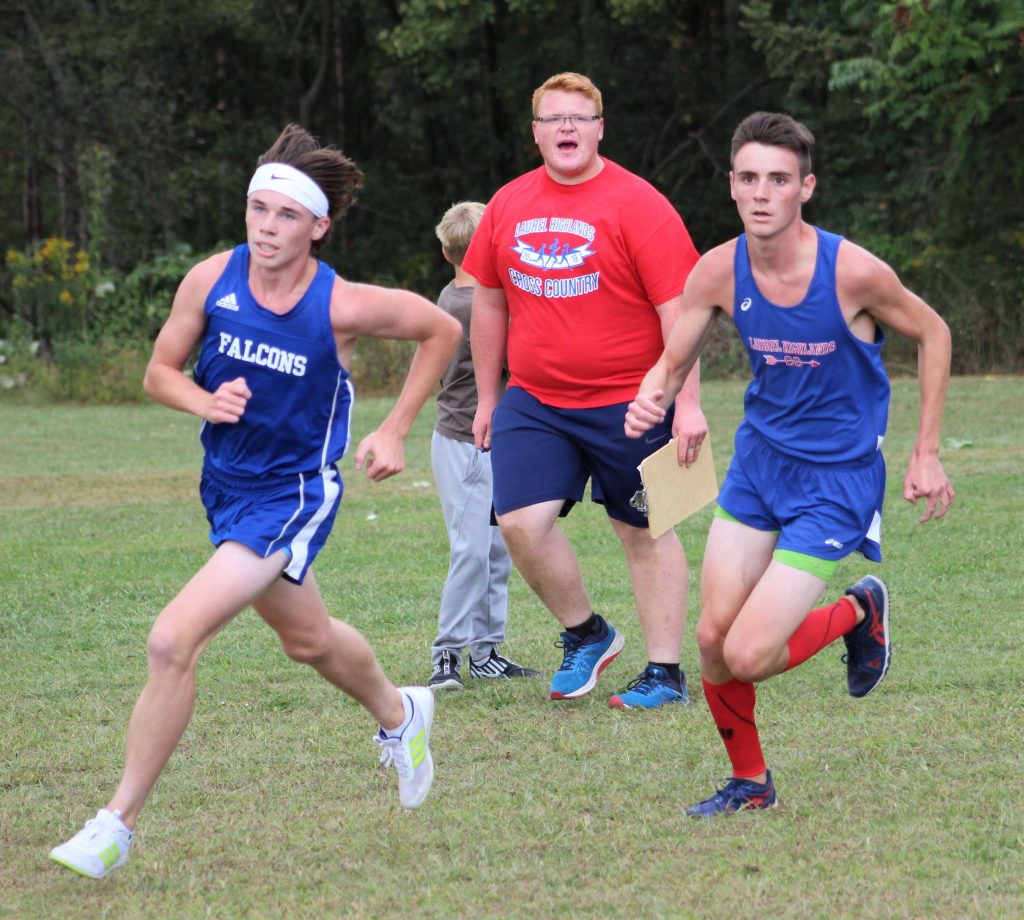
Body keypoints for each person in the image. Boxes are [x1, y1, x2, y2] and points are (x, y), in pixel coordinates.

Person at [49, 124, 462, 878]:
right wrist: (205, 402)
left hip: (292, 493)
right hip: (226, 487)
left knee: (172, 640)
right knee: (307, 639)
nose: (267, 227)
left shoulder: (341, 304)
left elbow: (441, 329)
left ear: (318, 227)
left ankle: (116, 825)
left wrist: (396, 427)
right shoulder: (212, 278)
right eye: (258, 209)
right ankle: (403, 713)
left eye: (286, 215)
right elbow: (158, 373)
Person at [625, 111, 955, 815]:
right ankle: (752, 783)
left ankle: (858, 611)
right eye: (749, 178)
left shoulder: (853, 271)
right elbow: (673, 359)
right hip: (759, 467)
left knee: (747, 655)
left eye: (778, 179)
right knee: (712, 640)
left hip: (835, 482)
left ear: (806, 187)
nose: (761, 193)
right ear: (732, 185)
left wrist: (925, 453)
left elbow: (934, 332)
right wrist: (651, 395)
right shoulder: (719, 269)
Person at [464, 72, 707, 710]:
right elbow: (488, 302)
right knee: (519, 523)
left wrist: (685, 404)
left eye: (578, 117)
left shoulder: (640, 203)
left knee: (644, 530)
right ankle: (587, 634)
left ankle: (665, 674)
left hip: (635, 400)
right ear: (536, 133)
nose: (566, 128)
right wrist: (488, 397)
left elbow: (681, 314)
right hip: (536, 400)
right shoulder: (507, 204)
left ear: (600, 129)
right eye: (553, 118)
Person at [427, 201, 541, 690]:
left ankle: (486, 651)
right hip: (465, 441)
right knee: (472, 551)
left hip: (489, 439)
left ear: (446, 252)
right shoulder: (476, 306)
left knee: (495, 548)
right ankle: (446, 654)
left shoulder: (452, 292)